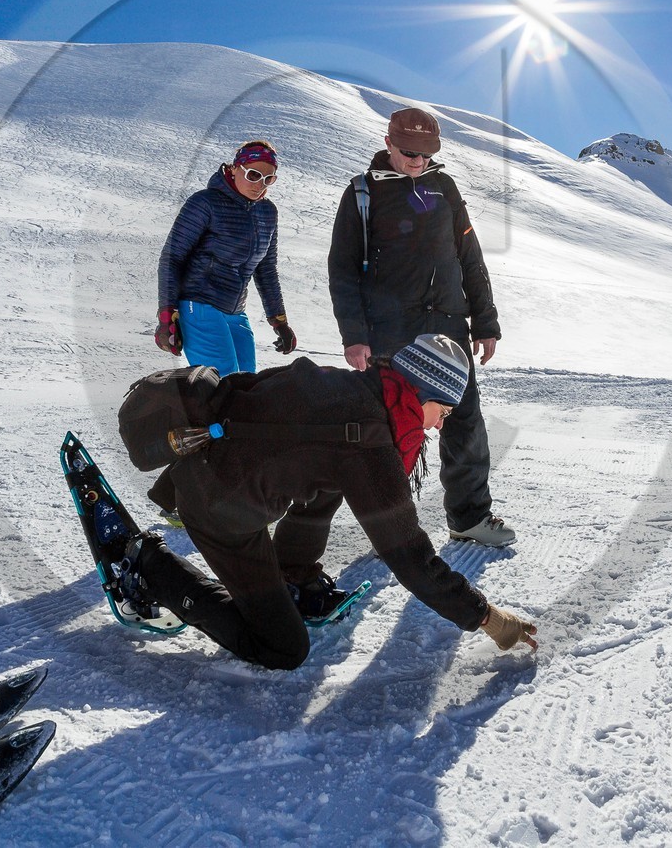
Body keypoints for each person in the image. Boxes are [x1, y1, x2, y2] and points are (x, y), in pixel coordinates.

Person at [132, 334, 537, 670]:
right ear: (420, 394)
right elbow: (410, 557)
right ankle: (151, 567)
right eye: (443, 410)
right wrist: (485, 616)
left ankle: (293, 573)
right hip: (220, 511)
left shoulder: (348, 385)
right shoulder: (370, 442)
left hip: (208, 471)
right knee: (283, 648)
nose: (440, 424)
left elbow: (246, 388)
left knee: (331, 474)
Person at [327, 107, 514, 547]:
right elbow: (343, 268)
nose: (418, 161)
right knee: (395, 429)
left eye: (427, 153)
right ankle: (390, 529)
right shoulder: (362, 192)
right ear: (388, 142)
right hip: (394, 329)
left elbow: (470, 257)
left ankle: (469, 519)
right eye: (409, 152)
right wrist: (354, 335)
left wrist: (485, 322)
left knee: (465, 423)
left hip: (449, 322)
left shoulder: (443, 187)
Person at [154, 140, 296, 374]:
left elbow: (266, 269)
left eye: (268, 179)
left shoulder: (267, 211)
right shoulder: (205, 203)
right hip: (198, 306)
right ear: (234, 168)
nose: (259, 184)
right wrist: (167, 314)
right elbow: (172, 258)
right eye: (253, 175)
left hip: (235, 312)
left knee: (248, 384)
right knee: (225, 385)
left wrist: (279, 321)